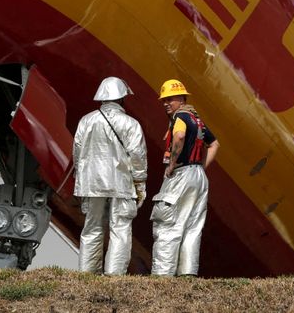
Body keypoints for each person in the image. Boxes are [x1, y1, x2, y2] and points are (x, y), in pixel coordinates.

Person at [72, 76, 148, 275]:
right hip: (121, 184)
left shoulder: (86, 121)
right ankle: (114, 274)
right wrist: (140, 184)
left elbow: (77, 153)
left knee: (91, 228)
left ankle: (87, 272)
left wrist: (80, 181)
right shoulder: (131, 124)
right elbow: (138, 157)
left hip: (91, 183)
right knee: (120, 228)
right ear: (122, 98)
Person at [150, 78, 220, 276]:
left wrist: (172, 164)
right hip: (198, 177)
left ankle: (162, 274)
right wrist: (200, 168)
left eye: (170, 99)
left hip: (181, 174)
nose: (166, 104)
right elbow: (214, 144)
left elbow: (179, 136)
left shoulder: (180, 117)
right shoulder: (197, 120)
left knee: (168, 224)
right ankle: (187, 273)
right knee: (192, 227)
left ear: (181, 98)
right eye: (164, 100)